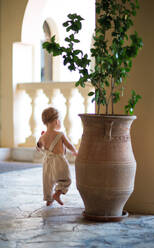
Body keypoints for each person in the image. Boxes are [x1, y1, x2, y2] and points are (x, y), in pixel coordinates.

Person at [36, 107, 78, 207]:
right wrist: (75, 152)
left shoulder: (42, 136)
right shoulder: (60, 134)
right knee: (65, 180)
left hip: (47, 161)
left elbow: (38, 147)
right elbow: (69, 145)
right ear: (56, 121)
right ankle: (57, 194)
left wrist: (39, 143)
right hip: (59, 161)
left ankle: (49, 200)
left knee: (48, 182)